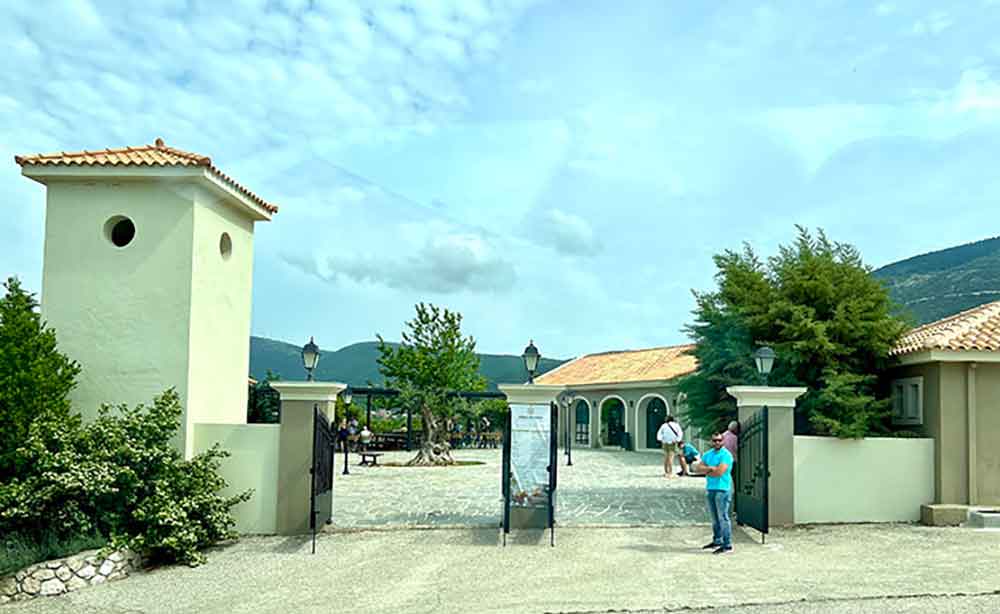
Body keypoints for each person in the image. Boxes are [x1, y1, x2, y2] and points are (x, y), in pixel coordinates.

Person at [699, 432, 735, 554]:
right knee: (715, 518)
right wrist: (711, 469)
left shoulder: (726, 455)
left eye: (719, 440)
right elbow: (698, 468)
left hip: (723, 489)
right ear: (711, 441)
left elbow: (719, 472)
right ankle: (717, 540)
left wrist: (708, 470)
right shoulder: (708, 454)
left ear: (723, 441)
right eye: (714, 440)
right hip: (711, 488)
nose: (717, 443)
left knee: (723, 517)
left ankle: (727, 544)